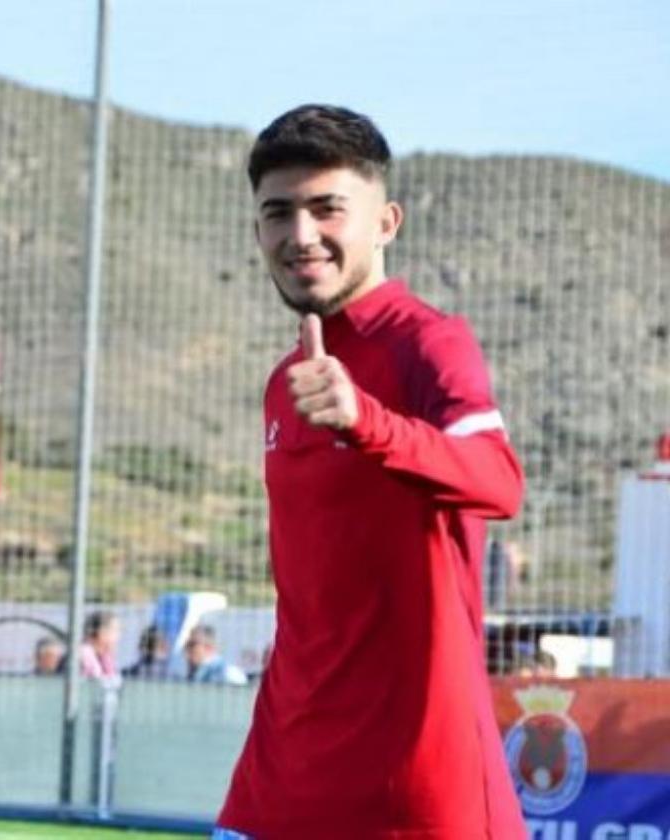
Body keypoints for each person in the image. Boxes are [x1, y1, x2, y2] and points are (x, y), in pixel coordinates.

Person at [214, 105, 526, 839]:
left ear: (385, 222)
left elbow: (498, 480)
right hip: (276, 787)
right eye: (278, 213)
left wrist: (370, 424)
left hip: (411, 798)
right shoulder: (288, 379)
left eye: (327, 209)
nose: (300, 235)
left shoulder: (430, 344)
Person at [183, 624, 247, 686]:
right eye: (187, 644)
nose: (187, 648)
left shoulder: (229, 674)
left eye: (192, 644)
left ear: (208, 647)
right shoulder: (191, 673)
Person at [78, 611, 120, 680]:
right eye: (115, 631)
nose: (118, 637)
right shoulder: (83, 656)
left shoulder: (105, 657)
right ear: (101, 633)